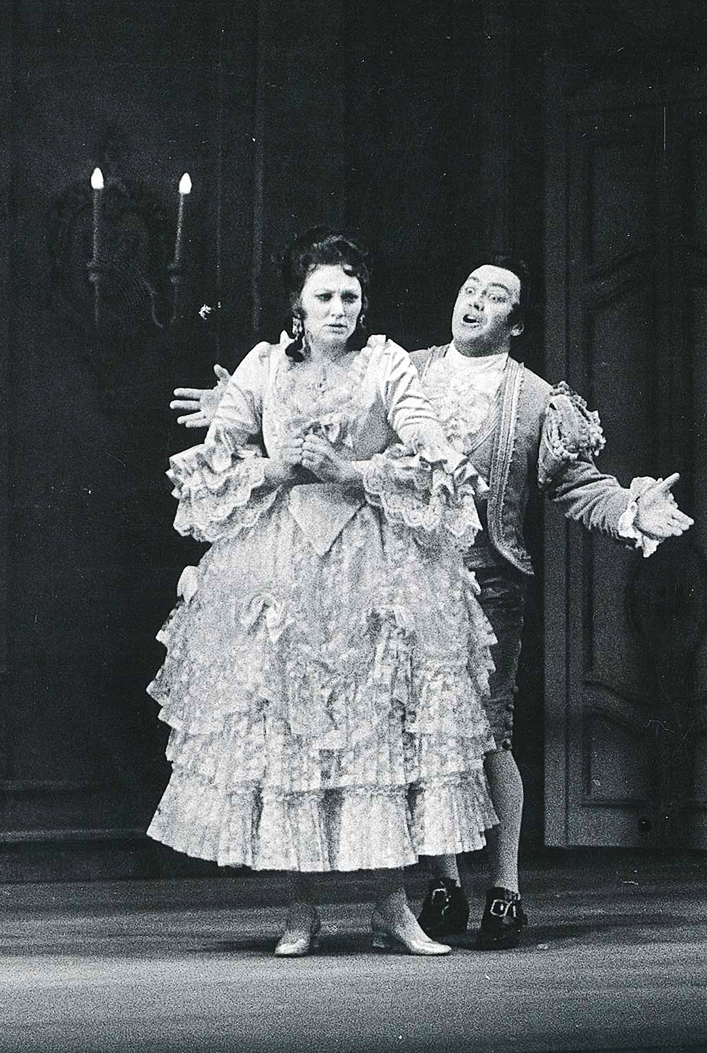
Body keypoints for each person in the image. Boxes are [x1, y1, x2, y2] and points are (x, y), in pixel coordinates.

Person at [174, 258, 693, 949]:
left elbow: (576, 485)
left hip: (482, 579)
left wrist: (629, 507)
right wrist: (245, 409)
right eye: (471, 288)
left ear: (518, 321)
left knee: (482, 735)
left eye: (497, 295)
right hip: (390, 574)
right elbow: (315, 392)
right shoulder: (405, 364)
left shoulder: (537, 400)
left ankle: (504, 888)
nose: (477, 300)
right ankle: (439, 885)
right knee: (406, 736)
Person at [151, 227, 496, 957]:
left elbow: (432, 447)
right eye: (324, 296)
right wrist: (274, 468)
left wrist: (353, 471)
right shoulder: (265, 365)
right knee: (290, 732)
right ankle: (300, 909)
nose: (339, 309)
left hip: (373, 566)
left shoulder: (387, 364)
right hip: (281, 568)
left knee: (379, 730)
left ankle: (391, 908)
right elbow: (219, 454)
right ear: (298, 304)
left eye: (350, 296)